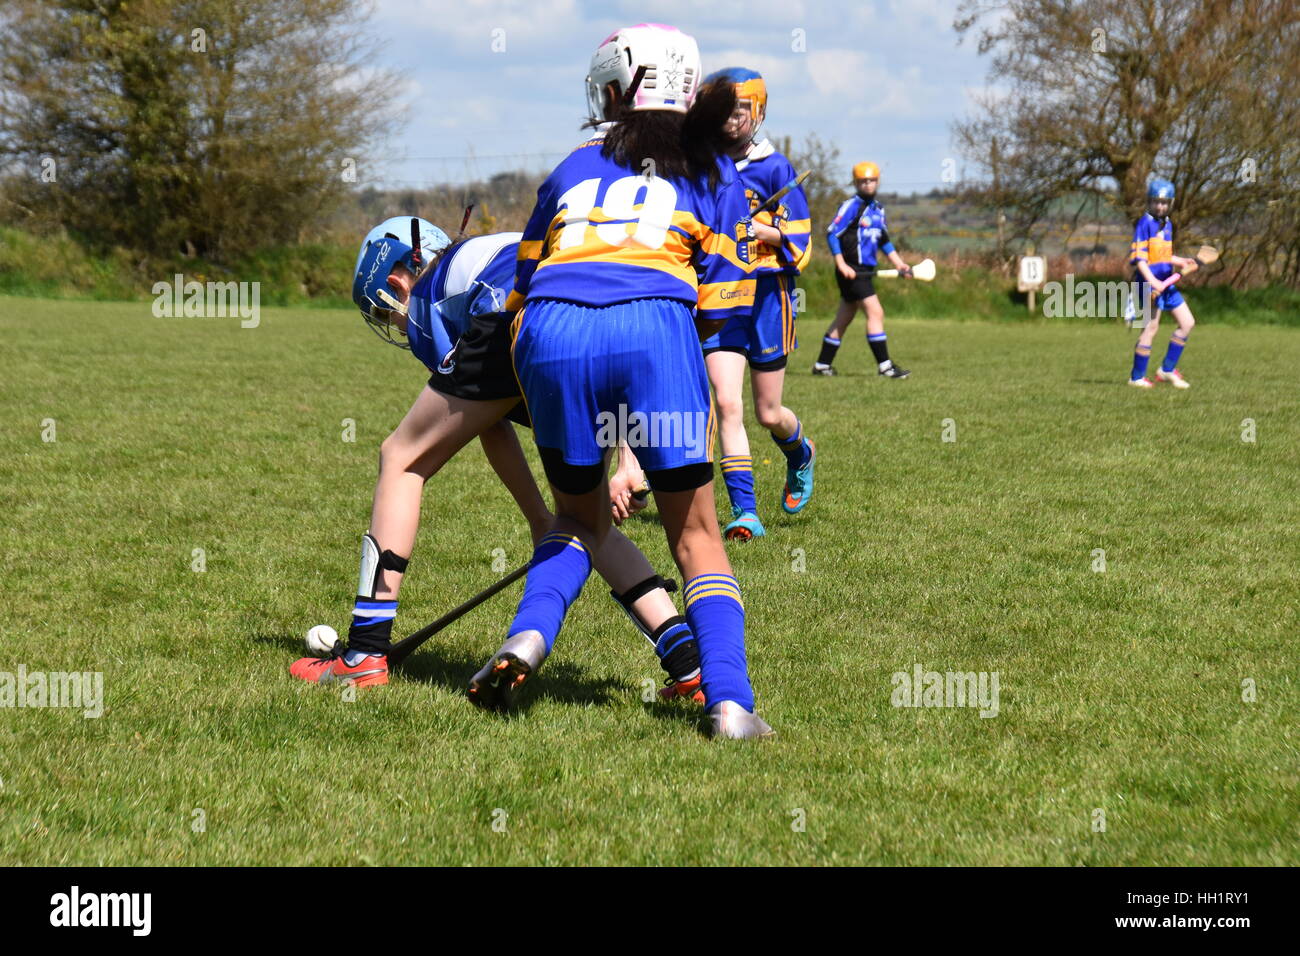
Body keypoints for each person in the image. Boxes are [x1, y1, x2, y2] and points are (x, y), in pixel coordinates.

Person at [469, 23, 774, 739]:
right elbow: (721, 304)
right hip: (653, 329)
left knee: (575, 520)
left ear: (615, 91)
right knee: (698, 534)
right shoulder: (715, 172)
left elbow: (522, 284)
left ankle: (527, 638)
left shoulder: (573, 165)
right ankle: (729, 703)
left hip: (550, 329)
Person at [288, 217, 706, 701]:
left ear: (398, 282)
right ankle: (689, 666)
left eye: (386, 313)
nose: (396, 324)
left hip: (521, 322)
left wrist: (542, 513)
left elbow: (487, 419)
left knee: (401, 457)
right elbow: (501, 415)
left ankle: (363, 652)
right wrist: (619, 471)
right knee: (585, 520)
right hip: (614, 326)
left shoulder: (426, 296)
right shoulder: (495, 250)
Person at [699, 67, 815, 541]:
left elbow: (801, 244)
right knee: (727, 402)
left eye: (741, 110)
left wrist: (760, 230)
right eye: (724, 111)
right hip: (722, 296)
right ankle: (744, 512)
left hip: (768, 297)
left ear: (759, 113)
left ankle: (799, 452)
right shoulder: (701, 164)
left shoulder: (775, 168)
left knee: (768, 414)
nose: (731, 120)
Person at [812, 161, 916, 378]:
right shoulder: (851, 206)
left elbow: (884, 241)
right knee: (875, 312)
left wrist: (900, 264)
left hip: (864, 270)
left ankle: (822, 366)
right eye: (863, 181)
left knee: (845, 316)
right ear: (856, 183)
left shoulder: (878, 209)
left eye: (871, 181)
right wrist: (841, 264)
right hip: (852, 270)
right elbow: (832, 233)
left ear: (878, 181)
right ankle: (885, 366)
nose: (867, 185)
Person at [1126, 179, 1198, 389]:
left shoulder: (1167, 224)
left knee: (1187, 323)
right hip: (1149, 285)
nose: (1160, 206)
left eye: (1164, 202)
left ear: (1171, 203)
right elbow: (1140, 260)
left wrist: (1181, 261)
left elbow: (1163, 255)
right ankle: (1137, 377)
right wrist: (1153, 282)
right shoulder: (1144, 223)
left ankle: (1166, 370)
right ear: (1149, 202)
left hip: (1167, 284)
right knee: (1150, 327)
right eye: (1156, 202)